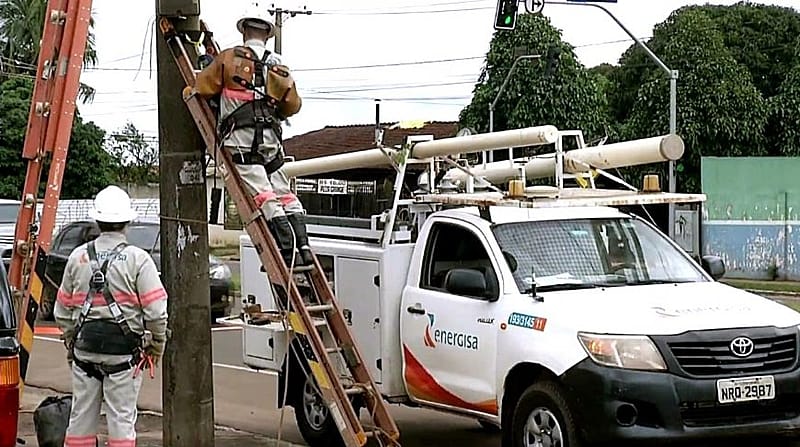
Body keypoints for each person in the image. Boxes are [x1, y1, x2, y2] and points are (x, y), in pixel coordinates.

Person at [193, 2, 314, 268]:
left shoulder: (228, 58)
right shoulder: (280, 67)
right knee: (284, 193)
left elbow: (201, 88)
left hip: (241, 140)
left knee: (263, 194)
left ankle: (285, 248)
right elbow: (292, 106)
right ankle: (303, 247)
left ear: (245, 30)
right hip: (271, 141)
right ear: (268, 34)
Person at [54, 185, 169, 447]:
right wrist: (156, 345)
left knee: (80, 421)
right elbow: (156, 312)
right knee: (121, 423)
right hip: (123, 356)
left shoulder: (78, 257)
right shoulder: (138, 260)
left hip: (85, 353)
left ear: (98, 220)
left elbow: (62, 312)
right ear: (127, 221)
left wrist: (72, 342)